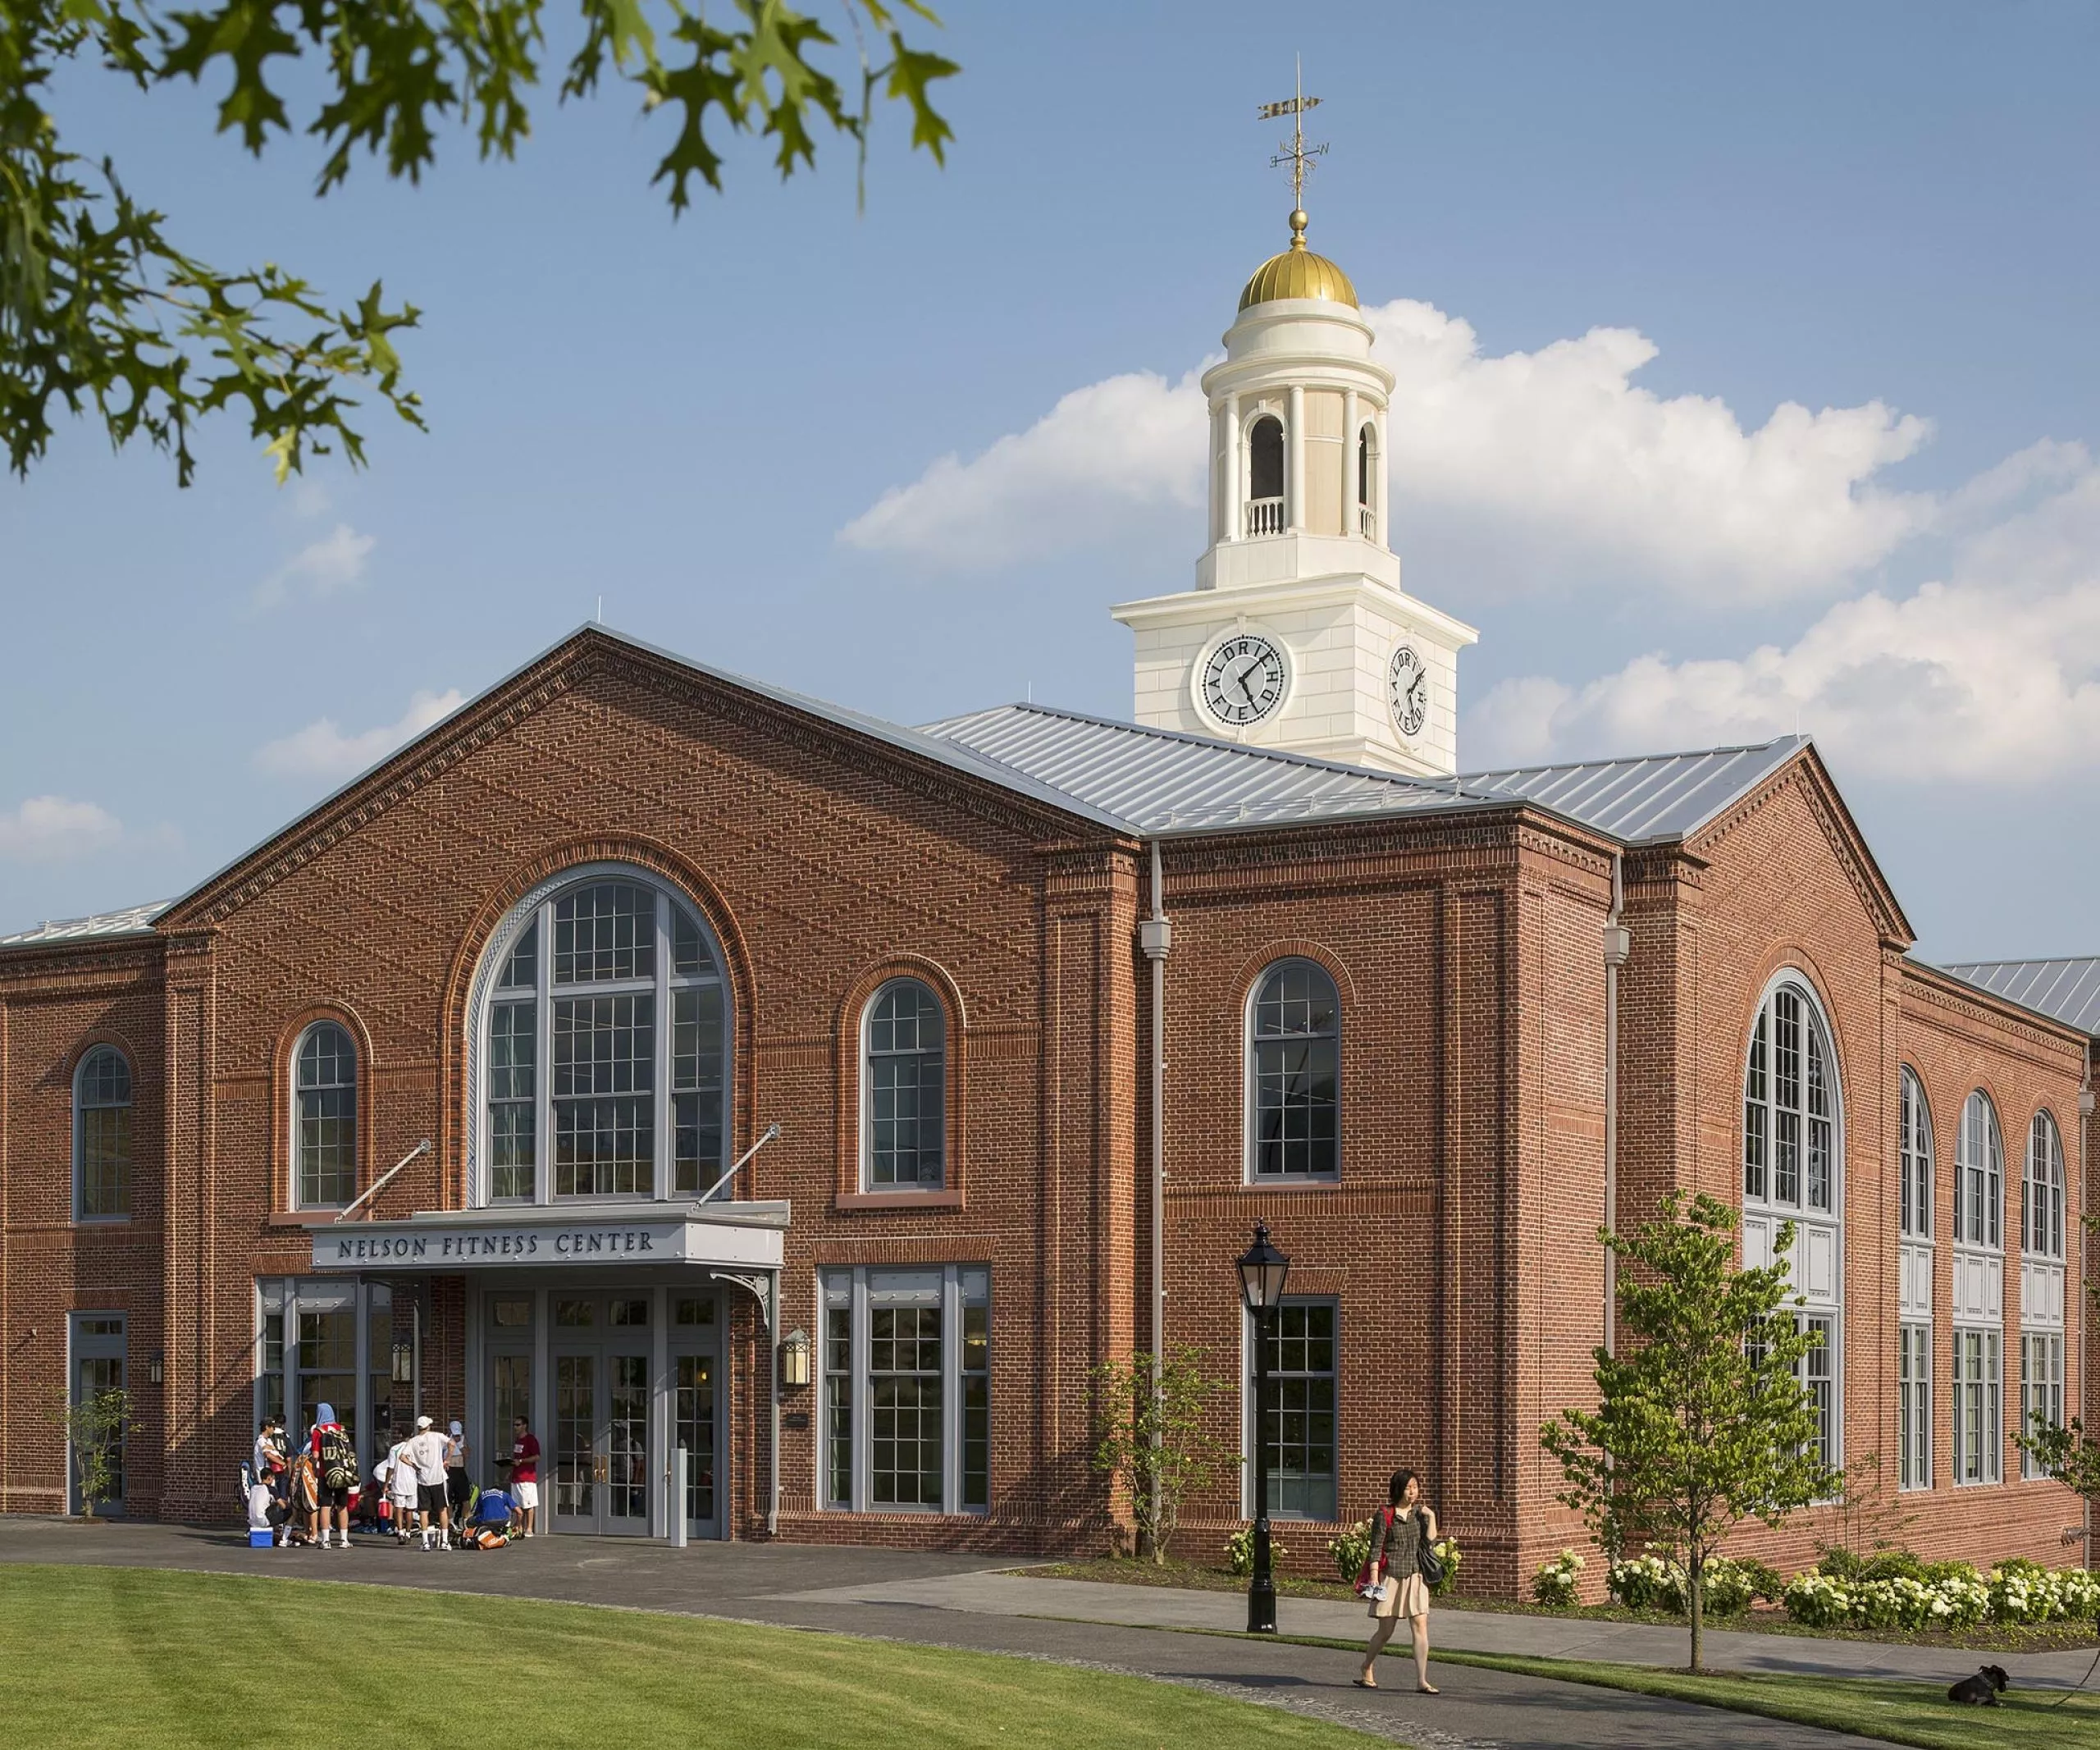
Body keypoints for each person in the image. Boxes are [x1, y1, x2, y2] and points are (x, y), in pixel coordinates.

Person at [1356, 1469, 1439, 1694]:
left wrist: (1431, 1517)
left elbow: (1430, 1542)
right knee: (1386, 1630)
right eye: (1408, 1487)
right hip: (1390, 1577)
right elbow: (1376, 1548)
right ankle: (1367, 1666)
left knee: (1420, 1626)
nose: (1413, 1492)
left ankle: (1422, 1680)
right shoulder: (1385, 1514)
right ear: (1398, 1489)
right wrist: (1374, 1578)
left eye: (1415, 1487)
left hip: (1415, 1575)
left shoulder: (1419, 1514)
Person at [308, 1403, 358, 1550]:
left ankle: (326, 1540)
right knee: (342, 1506)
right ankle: (344, 1539)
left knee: (325, 1505)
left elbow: (316, 1455)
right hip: (342, 1473)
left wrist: (315, 1467)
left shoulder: (318, 1431)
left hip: (326, 1473)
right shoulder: (341, 1429)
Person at [405, 1414, 452, 1551]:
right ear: (428, 1426)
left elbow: (402, 1456)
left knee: (423, 1511)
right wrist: (447, 1458)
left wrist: (414, 1465)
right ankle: (444, 1541)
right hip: (437, 1478)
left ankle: (425, 1542)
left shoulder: (413, 1441)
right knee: (442, 1509)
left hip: (423, 1479)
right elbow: (452, 1443)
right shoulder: (436, 1436)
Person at [505, 1416, 541, 1537]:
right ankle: (518, 1527)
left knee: (529, 1504)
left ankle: (529, 1528)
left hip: (527, 1478)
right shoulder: (517, 1441)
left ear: (525, 1426)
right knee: (517, 1505)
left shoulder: (531, 1440)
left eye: (518, 1425)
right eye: (514, 1425)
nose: (515, 1427)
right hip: (516, 1478)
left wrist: (521, 1461)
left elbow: (537, 1457)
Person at [385, 1434, 420, 1545]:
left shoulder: (395, 1449)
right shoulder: (415, 1449)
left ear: (400, 1434)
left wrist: (386, 1483)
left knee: (399, 1508)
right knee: (410, 1510)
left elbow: (390, 1468)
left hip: (399, 1481)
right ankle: (408, 1533)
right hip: (412, 1482)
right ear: (412, 1435)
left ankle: (400, 1532)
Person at [444, 1419, 473, 1524]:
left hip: (460, 1470)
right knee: (449, 1499)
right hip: (449, 1471)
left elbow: (467, 1453)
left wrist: (460, 1444)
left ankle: (466, 1521)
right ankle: (450, 1521)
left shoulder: (463, 1439)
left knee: (465, 1498)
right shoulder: (445, 1439)